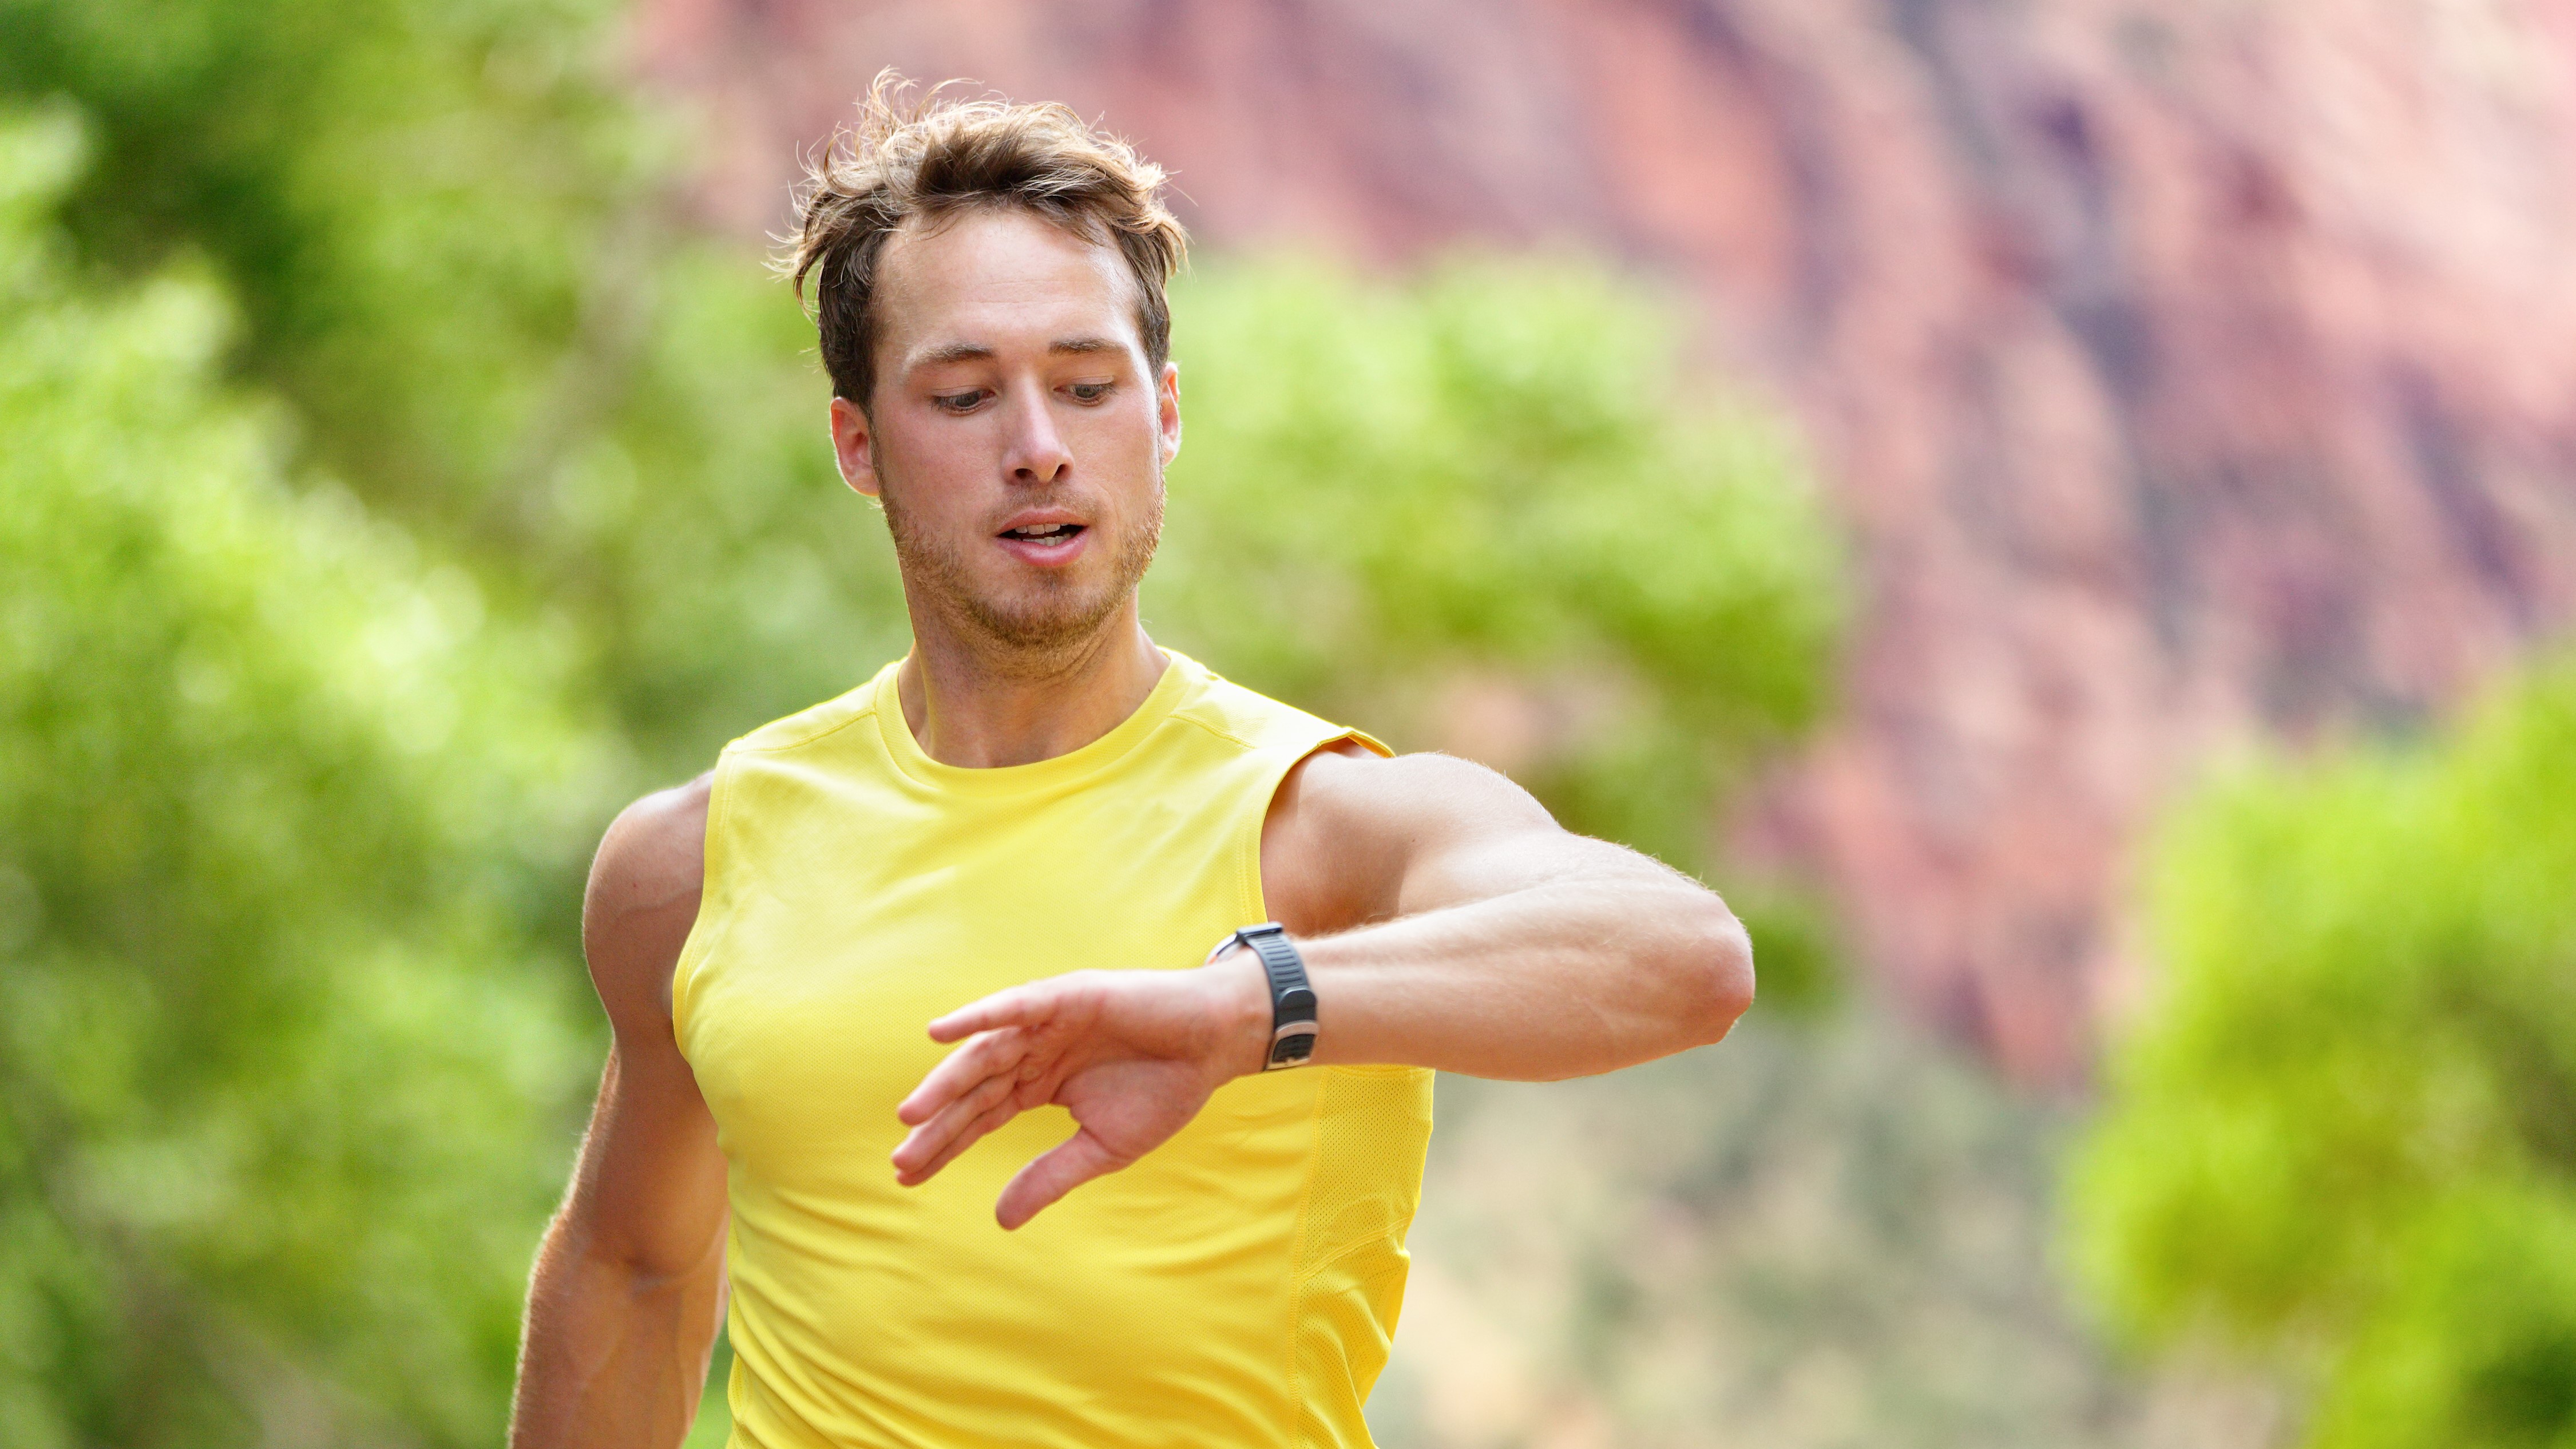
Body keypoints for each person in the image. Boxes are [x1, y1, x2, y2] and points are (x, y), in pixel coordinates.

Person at [506, 78, 1754, 1449]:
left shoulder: (1321, 825)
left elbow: (1684, 960)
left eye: (1086, 385)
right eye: (965, 395)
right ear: (859, 446)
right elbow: (633, 1273)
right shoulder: (693, 861)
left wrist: (1245, 1011)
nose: (1037, 450)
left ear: (1162, 416)